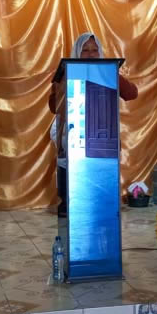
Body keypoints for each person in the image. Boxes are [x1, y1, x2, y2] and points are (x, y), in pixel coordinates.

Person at [48, 32, 138, 217]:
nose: (90, 54)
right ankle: (68, 202)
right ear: (77, 52)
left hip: (101, 131)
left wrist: (114, 75)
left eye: (94, 50)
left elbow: (131, 94)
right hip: (73, 131)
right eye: (85, 50)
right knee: (70, 165)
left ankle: (101, 202)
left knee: (100, 171)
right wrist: (62, 86)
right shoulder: (65, 73)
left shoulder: (107, 71)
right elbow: (53, 106)